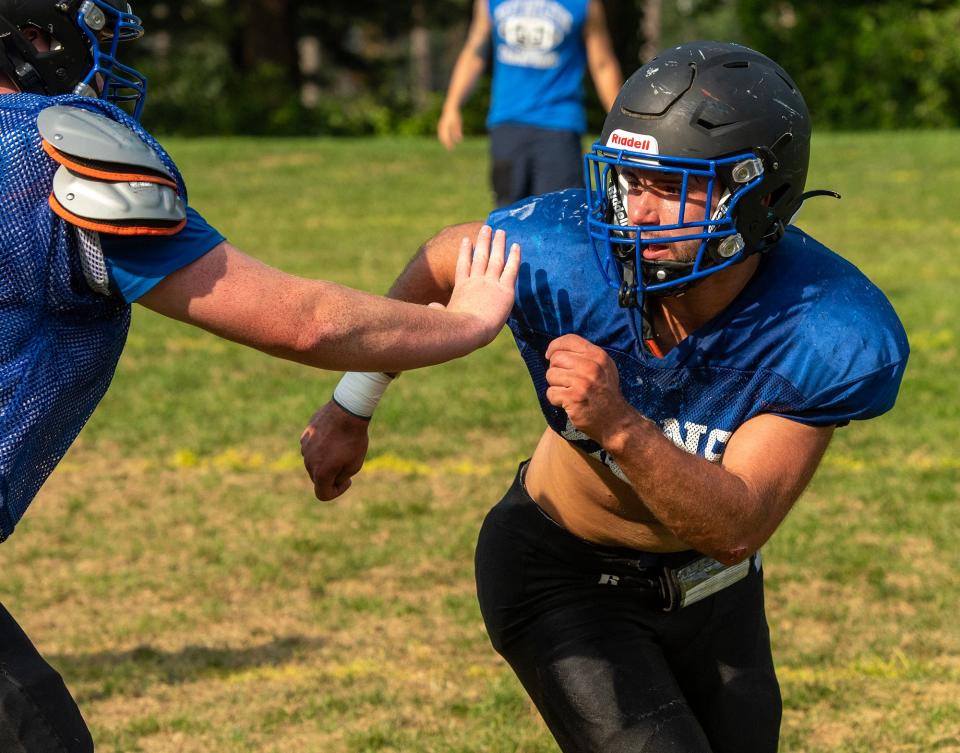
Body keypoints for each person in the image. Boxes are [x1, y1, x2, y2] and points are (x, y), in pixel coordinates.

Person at [302, 41, 909, 752]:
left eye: (670, 185)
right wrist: (352, 403)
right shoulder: (563, 252)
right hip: (563, 571)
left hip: (716, 583)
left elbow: (736, 525)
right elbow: (444, 256)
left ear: (758, 193)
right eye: (628, 180)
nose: (635, 212)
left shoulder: (822, 324)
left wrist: (620, 424)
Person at [0, 1, 520, 750]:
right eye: (89, 41)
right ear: (36, 39)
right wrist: (463, 321)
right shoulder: (58, 162)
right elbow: (304, 319)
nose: (103, 64)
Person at [437, 0, 622, 207]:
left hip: (559, 125)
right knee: (508, 216)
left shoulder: (584, 4)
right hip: (507, 123)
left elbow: (603, 64)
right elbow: (475, 51)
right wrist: (451, 106)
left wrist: (621, 122)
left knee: (560, 213)